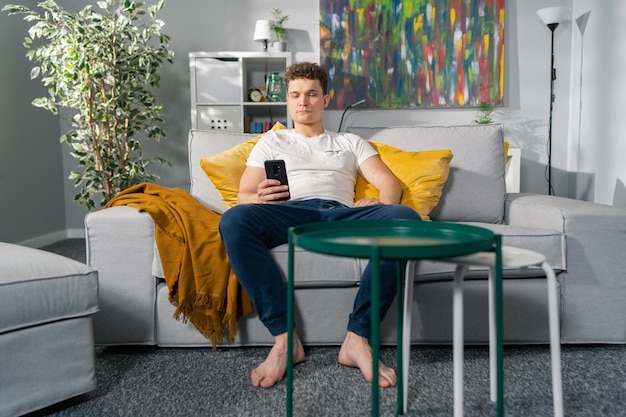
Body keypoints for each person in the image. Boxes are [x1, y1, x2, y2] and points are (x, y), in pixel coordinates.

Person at [219, 62, 421, 389]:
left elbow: (389, 183)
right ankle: (285, 341)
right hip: (289, 212)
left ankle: (358, 339)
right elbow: (242, 195)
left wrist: (379, 201)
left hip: (340, 214)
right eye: (296, 95)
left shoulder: (350, 142)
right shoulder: (271, 142)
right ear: (287, 100)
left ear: (325, 100)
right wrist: (260, 196)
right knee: (234, 220)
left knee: (405, 218)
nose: (303, 102)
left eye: (311, 94)